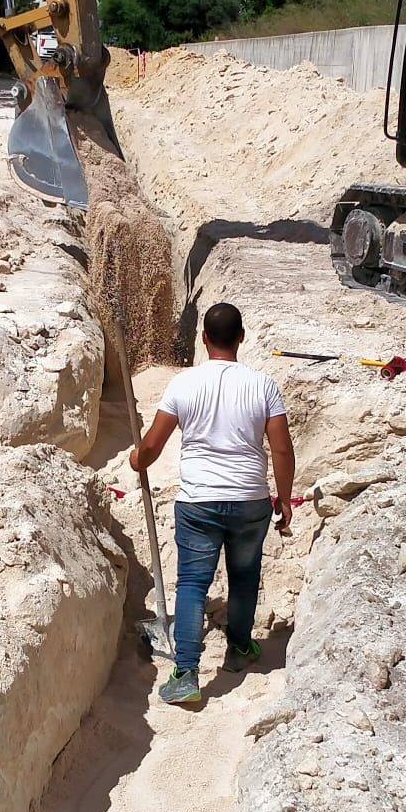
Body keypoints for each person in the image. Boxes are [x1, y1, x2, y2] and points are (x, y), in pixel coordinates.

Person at [128, 301, 296, 708]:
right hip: (249, 500)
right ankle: (239, 648)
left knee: (192, 583)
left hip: (199, 503)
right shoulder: (263, 385)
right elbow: (282, 450)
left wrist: (137, 460)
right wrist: (285, 498)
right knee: (243, 578)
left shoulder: (184, 385)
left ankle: (186, 673)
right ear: (242, 337)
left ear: (203, 339)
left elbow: (151, 444)